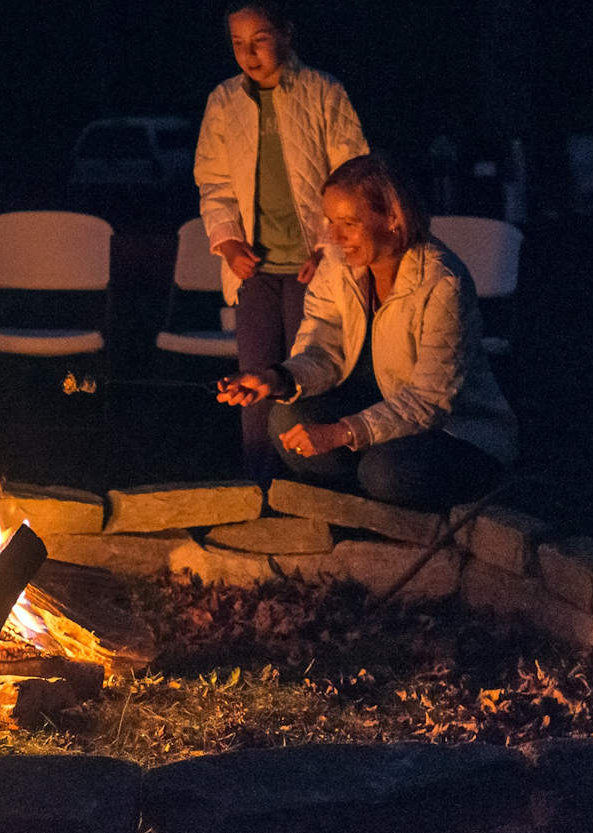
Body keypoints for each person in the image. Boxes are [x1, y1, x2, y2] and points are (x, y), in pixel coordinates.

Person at [216, 155, 516, 511]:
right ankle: (358, 508)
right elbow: (322, 351)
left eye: (349, 222)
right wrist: (276, 378)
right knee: (286, 419)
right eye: (329, 221)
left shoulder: (440, 281)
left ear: (393, 217)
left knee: (386, 472)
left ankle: (378, 499)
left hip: (454, 430)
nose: (334, 236)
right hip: (373, 418)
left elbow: (430, 400)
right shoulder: (337, 268)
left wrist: (342, 433)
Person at [194, 0, 369, 482]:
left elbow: (351, 172)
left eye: (260, 40)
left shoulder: (322, 92)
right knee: (252, 377)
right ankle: (258, 484)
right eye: (237, 44)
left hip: (313, 266)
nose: (248, 54)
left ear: (286, 35)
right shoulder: (225, 102)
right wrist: (229, 243)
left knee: (306, 373)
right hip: (255, 268)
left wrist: (329, 246)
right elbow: (214, 182)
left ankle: (309, 485)